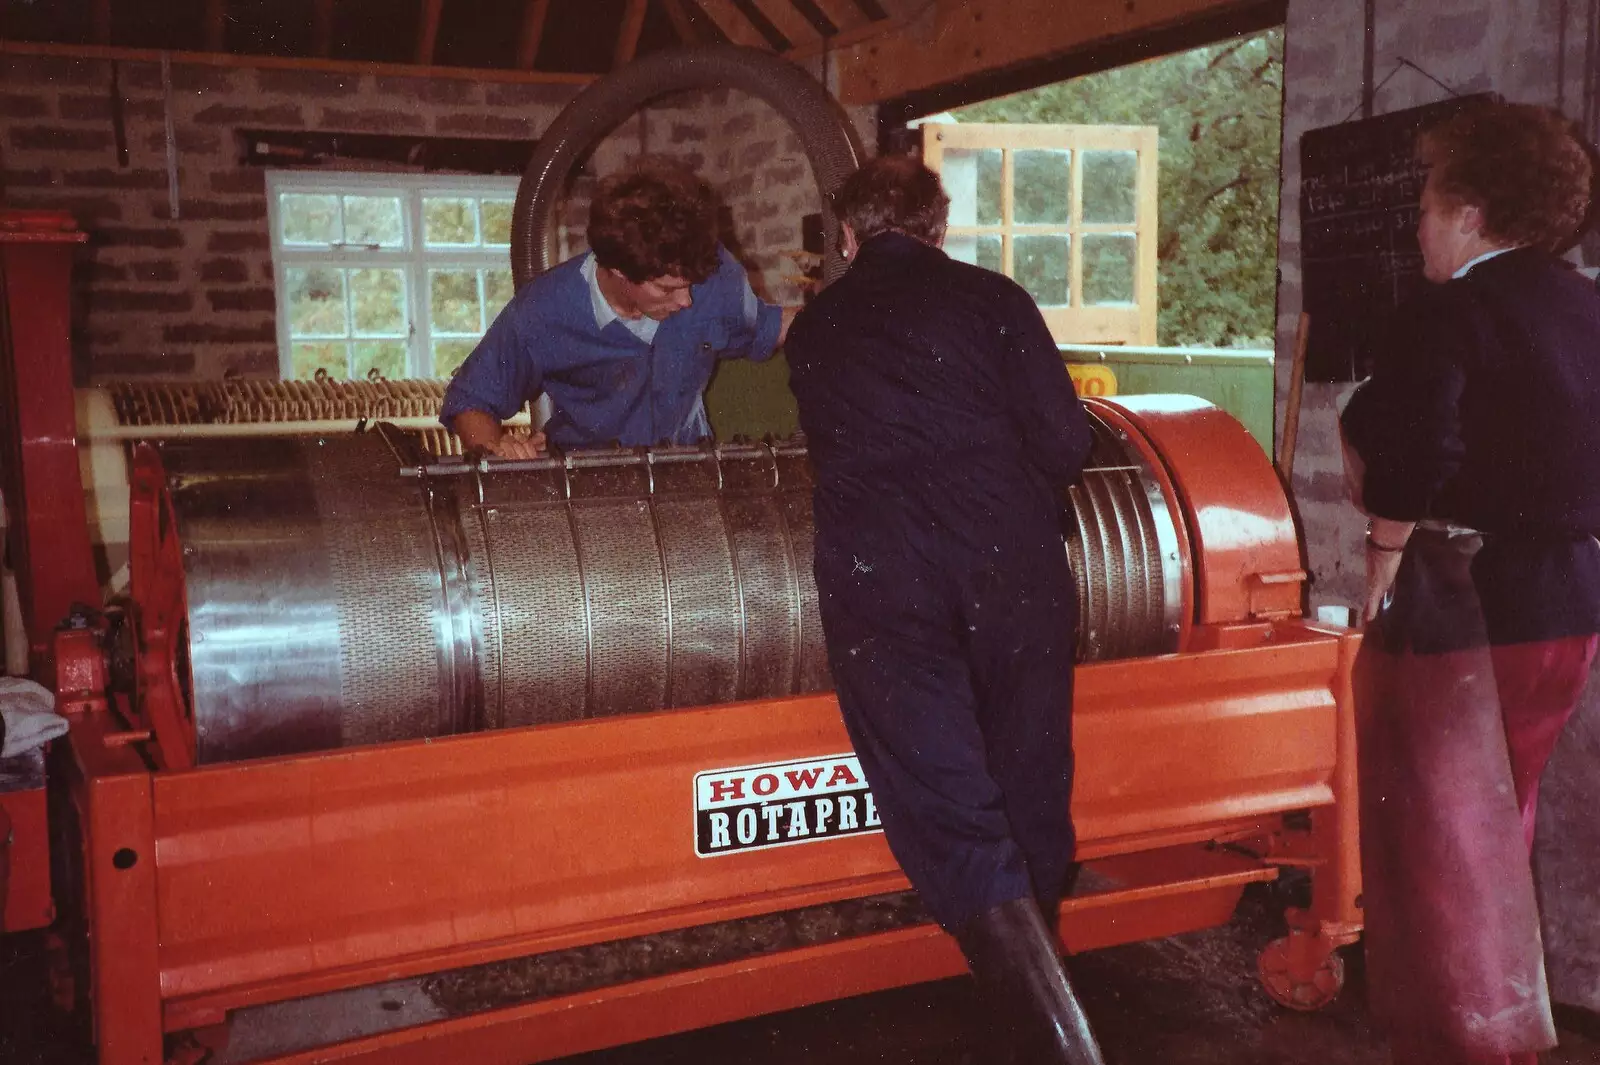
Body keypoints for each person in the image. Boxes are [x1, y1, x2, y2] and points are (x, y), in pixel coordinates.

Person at [785, 154, 1102, 1065]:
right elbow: (1063, 438)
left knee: (946, 795)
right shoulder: (996, 300)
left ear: (847, 235)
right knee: (1029, 776)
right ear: (938, 226)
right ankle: (1031, 1010)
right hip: (1012, 564)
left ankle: (1043, 1033)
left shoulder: (815, 329)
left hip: (884, 573)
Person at [1340, 101, 1600, 1065]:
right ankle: (1505, 1031)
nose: (1417, 224)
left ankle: (1464, 1040)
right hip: (1571, 599)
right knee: (1505, 811)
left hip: (1473, 601)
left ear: (1474, 215)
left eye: (1426, 204)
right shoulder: (1588, 305)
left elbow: (1416, 439)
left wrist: (1380, 551)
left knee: (1442, 831)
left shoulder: (1448, 311)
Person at [441, 159, 793, 457]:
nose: (686, 300)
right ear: (619, 271)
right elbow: (471, 400)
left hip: (688, 468)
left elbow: (770, 326)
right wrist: (497, 448)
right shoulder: (543, 310)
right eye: (667, 289)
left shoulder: (715, 277)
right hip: (589, 479)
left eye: (690, 286)